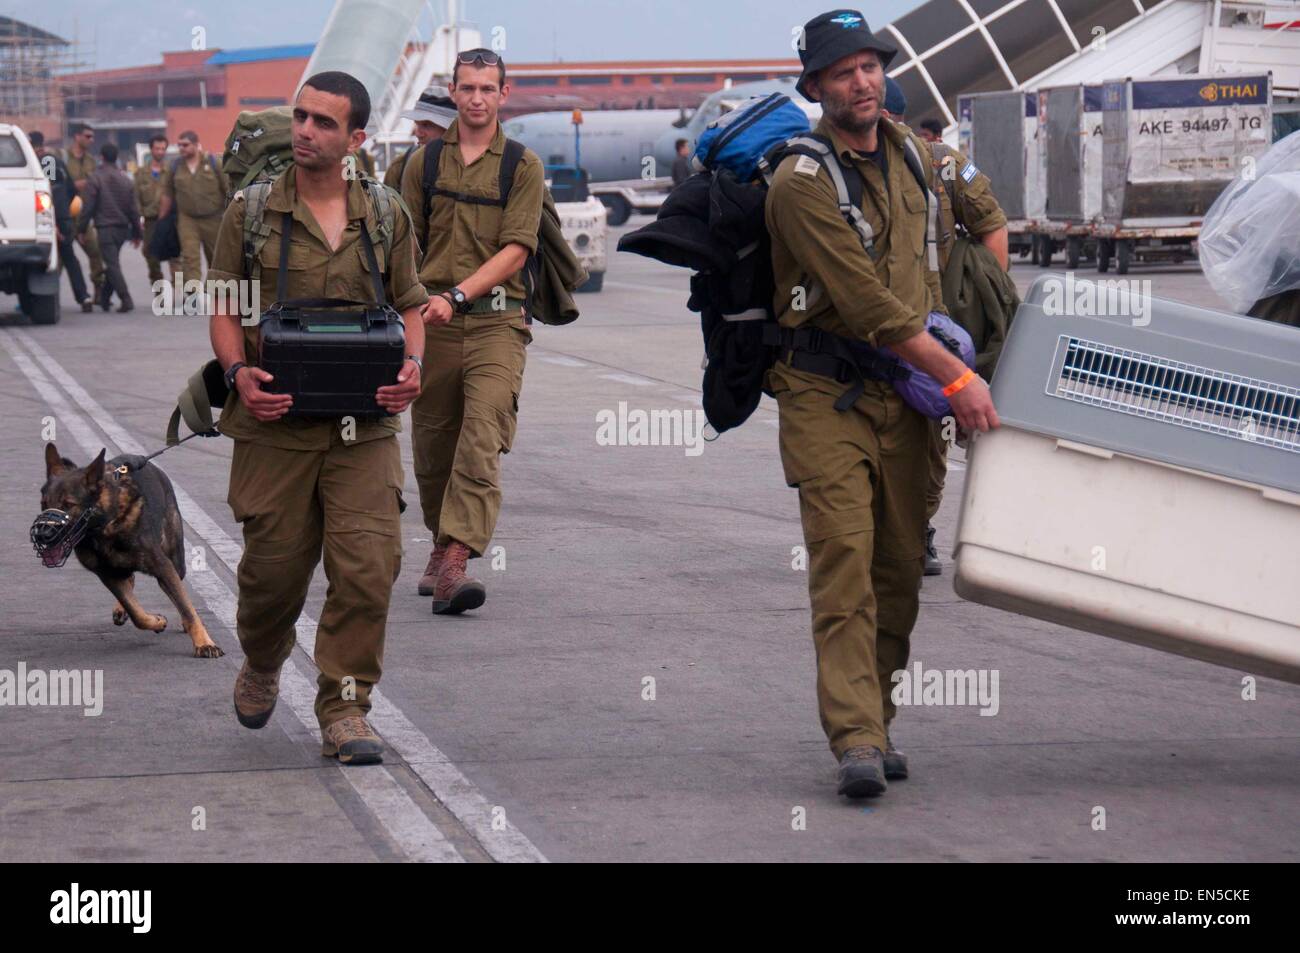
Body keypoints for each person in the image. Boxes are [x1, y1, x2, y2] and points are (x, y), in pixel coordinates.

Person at [767, 9, 999, 798]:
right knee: (845, 564)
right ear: (816, 88)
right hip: (823, 391)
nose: (862, 82)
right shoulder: (798, 181)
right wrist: (961, 382)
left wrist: (967, 356)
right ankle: (856, 737)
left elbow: (961, 255)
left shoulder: (917, 158)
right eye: (843, 73)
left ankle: (880, 714)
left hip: (908, 396)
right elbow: (869, 306)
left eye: (869, 66)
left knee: (900, 567)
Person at [206, 71, 428, 765]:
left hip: (364, 430)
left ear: (356, 138)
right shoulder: (250, 212)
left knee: (368, 569)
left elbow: (412, 304)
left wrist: (414, 370)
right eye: (300, 117)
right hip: (274, 428)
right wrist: (240, 374)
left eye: (324, 122)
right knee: (271, 576)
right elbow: (223, 309)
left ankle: (346, 709)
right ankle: (265, 658)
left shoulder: (385, 213)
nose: (305, 130)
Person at [400, 48, 544, 614]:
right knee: (434, 444)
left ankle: (456, 559)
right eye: (468, 88)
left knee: (481, 437)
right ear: (454, 93)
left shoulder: (522, 166)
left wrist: (458, 294)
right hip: (430, 325)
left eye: (488, 88)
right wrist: (410, 304)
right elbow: (402, 243)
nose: (478, 98)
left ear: (504, 94)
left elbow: (516, 249)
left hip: (496, 322)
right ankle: (440, 543)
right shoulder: (423, 164)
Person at [883, 79, 1011, 576]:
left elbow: (991, 225)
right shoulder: (836, 169)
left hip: (936, 328)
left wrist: (986, 298)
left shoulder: (942, 162)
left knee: (932, 435)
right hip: (875, 325)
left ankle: (917, 528)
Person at [158, 130, 228, 299]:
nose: (181, 148)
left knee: (216, 258)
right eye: (179, 145)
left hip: (214, 218)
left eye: (185, 145)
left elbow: (227, 189)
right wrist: (161, 221)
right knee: (190, 257)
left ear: (196, 145)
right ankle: (192, 294)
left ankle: (215, 293)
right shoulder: (174, 166)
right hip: (187, 219)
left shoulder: (213, 162)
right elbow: (167, 194)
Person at [29, 131, 93, 313]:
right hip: (62, 217)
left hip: (55, 220)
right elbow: (72, 189)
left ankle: (43, 299)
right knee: (69, 259)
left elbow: (50, 191)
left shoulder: (47, 161)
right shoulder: (56, 161)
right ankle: (83, 297)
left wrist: (53, 221)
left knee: (52, 261)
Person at [76, 142, 142, 313]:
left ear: (102, 158)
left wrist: (81, 229)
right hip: (122, 228)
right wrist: (137, 233)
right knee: (113, 263)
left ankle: (126, 298)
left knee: (112, 265)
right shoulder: (126, 180)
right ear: (117, 158)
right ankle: (105, 299)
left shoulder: (95, 178)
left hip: (105, 228)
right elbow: (133, 210)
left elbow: (88, 207)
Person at [63, 123, 106, 306]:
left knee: (95, 252)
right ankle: (46, 296)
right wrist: (73, 185)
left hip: (83, 216)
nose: (91, 140)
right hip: (64, 215)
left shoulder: (91, 161)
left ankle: (98, 290)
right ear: (77, 137)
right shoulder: (62, 157)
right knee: (59, 259)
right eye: (88, 136)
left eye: (92, 137)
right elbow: (50, 181)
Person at [384, 86, 456, 190]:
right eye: (417, 124)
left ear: (448, 129)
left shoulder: (470, 167)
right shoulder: (399, 167)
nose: (418, 133)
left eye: (427, 125)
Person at [134, 134, 177, 285]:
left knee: (175, 255)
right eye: (157, 148)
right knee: (149, 253)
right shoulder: (140, 173)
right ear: (151, 150)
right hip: (151, 220)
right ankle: (158, 284)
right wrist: (138, 219)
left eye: (163, 149)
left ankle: (177, 288)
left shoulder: (172, 171)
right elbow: (136, 197)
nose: (160, 152)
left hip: (171, 220)